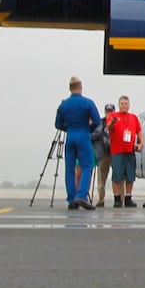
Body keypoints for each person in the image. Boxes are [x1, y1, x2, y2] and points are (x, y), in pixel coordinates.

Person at [55, 76, 104, 211]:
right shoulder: (88, 103)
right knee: (87, 166)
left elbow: (58, 124)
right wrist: (88, 129)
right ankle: (81, 195)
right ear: (80, 87)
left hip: (70, 135)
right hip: (83, 135)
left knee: (69, 168)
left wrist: (69, 128)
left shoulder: (63, 104)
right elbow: (97, 122)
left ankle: (71, 199)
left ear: (70, 88)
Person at [104, 95, 145, 208]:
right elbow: (108, 128)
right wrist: (113, 122)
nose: (124, 105)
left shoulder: (133, 117)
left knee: (130, 176)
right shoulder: (113, 115)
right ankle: (117, 198)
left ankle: (128, 198)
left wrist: (141, 143)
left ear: (129, 105)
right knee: (117, 176)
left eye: (126, 103)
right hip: (117, 151)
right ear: (119, 105)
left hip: (130, 150)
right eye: (122, 103)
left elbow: (139, 131)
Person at [90, 103, 114, 207]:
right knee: (101, 178)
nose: (109, 113)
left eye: (111, 111)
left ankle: (120, 199)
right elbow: (95, 134)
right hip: (103, 152)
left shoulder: (118, 122)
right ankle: (101, 199)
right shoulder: (100, 122)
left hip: (115, 152)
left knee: (118, 177)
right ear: (105, 112)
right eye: (107, 111)